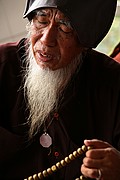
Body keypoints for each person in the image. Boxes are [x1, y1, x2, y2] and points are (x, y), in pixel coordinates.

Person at [0, 0, 120, 180]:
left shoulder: (113, 83)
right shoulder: (3, 65)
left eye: (65, 28)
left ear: (85, 39)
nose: (46, 40)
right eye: (42, 19)